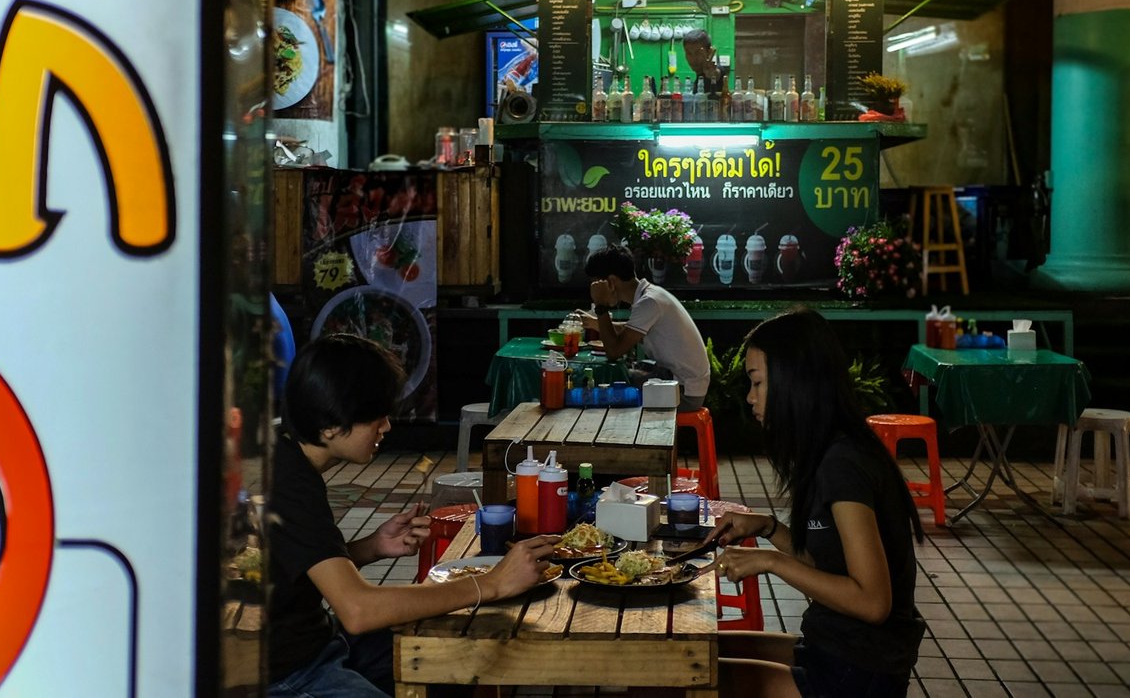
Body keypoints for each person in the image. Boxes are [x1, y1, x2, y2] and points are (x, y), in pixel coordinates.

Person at [268, 333, 560, 696]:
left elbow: (293, 565)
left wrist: (369, 548)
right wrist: (491, 584)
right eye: (376, 415)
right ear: (329, 425)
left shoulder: (284, 454)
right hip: (285, 672)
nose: (386, 426)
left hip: (319, 641)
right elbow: (358, 611)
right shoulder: (286, 484)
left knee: (452, 657)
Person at [704, 310, 923, 697]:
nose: (750, 397)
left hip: (858, 673)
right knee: (700, 653)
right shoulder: (830, 450)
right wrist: (768, 527)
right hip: (832, 649)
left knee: (687, 677)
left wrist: (772, 562)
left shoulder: (843, 464)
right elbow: (830, 568)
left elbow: (873, 602)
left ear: (794, 383)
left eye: (757, 383)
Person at [573, 245, 709, 411]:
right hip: (676, 381)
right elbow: (629, 331)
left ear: (610, 282)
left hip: (683, 393)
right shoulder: (649, 296)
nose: (593, 291)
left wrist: (601, 306)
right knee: (619, 378)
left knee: (607, 386)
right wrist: (595, 322)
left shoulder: (649, 302)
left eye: (596, 285)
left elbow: (614, 351)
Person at [682, 28, 730, 101]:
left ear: (709, 52)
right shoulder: (699, 77)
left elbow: (716, 74)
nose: (693, 58)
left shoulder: (716, 70)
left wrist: (712, 74)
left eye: (698, 53)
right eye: (689, 53)